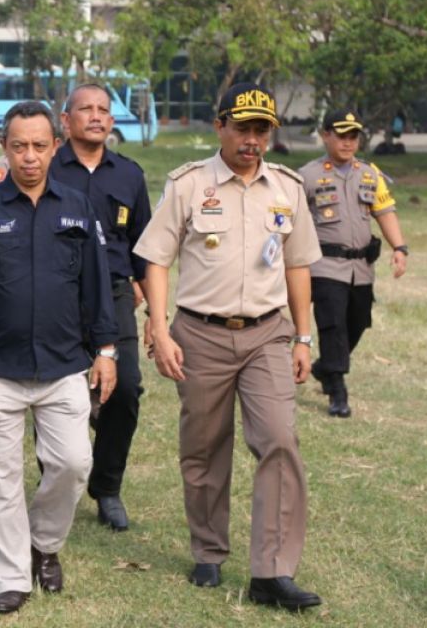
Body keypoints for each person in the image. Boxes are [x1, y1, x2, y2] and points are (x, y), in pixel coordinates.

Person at [135, 83, 323, 612]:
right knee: (204, 447)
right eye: (243, 128)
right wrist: (160, 326)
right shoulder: (189, 184)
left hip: (268, 333)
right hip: (200, 333)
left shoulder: (287, 187)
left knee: (280, 440)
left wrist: (303, 336)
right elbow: (155, 257)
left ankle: (272, 571)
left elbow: (298, 265)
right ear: (220, 126)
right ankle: (209, 550)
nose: (252, 139)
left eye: (262, 130)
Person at [0, 101, 118, 615]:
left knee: (72, 463)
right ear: (4, 146)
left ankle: (45, 543)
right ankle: (11, 578)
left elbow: (97, 289)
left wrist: (106, 351)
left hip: (64, 365)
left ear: (55, 147)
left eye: (40, 146)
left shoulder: (77, 208)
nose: (29, 156)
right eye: (18, 146)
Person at [49, 83, 152, 531]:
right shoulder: (47, 168)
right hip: (57, 291)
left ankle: (107, 486)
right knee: (54, 390)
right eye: (85, 109)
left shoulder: (129, 174)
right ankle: (54, 486)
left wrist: (153, 311)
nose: (95, 116)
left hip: (113, 293)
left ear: (112, 122)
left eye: (104, 110)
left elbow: (146, 247)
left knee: (125, 387)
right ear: (65, 120)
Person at [298, 109, 408, 418]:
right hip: (324, 266)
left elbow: (384, 212)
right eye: (341, 135)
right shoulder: (306, 175)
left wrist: (400, 247)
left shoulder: (369, 173)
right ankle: (337, 389)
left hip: (361, 269)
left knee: (357, 322)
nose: (348, 143)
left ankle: (324, 367)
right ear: (325, 135)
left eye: (353, 136)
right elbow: (292, 222)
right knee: (332, 324)